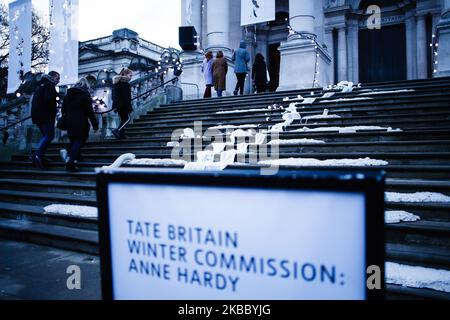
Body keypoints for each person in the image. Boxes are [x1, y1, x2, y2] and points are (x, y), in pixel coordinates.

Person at [61, 78, 99, 172]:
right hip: (81, 121)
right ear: (86, 85)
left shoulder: (68, 94)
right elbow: (89, 111)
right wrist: (95, 125)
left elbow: (63, 109)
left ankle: (75, 155)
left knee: (74, 140)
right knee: (79, 141)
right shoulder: (85, 94)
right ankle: (70, 163)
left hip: (70, 121)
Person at [30, 71, 60, 169]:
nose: (58, 81)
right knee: (49, 135)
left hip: (37, 115)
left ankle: (39, 155)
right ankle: (37, 155)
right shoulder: (49, 85)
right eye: (57, 78)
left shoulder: (41, 85)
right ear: (52, 77)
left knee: (46, 135)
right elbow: (48, 100)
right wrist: (54, 110)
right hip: (45, 115)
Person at [112, 68, 133, 139]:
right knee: (127, 119)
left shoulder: (117, 83)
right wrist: (129, 107)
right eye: (130, 75)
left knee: (123, 119)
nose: (131, 77)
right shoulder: (125, 84)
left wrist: (114, 106)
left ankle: (121, 134)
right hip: (123, 104)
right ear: (126, 75)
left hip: (118, 105)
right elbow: (126, 97)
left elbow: (114, 96)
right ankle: (117, 130)